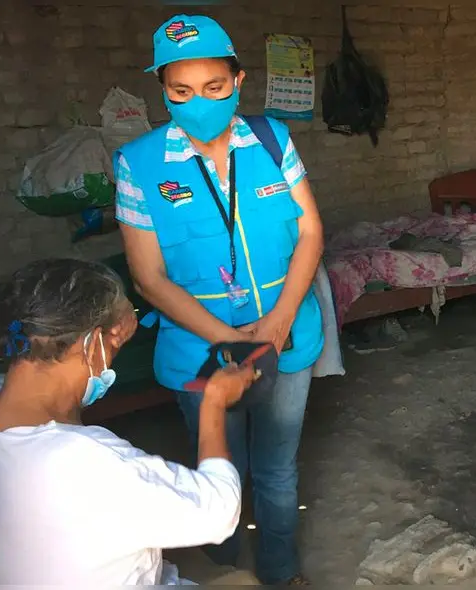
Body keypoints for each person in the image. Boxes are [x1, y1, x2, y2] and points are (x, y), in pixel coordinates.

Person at [114, 14, 325, 585]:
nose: (198, 103)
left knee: (278, 470)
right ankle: (234, 567)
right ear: (163, 90)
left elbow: (310, 233)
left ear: (238, 81)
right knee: (218, 464)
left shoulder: (272, 139)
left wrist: (279, 321)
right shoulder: (138, 165)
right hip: (202, 351)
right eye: (180, 92)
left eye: (213, 88)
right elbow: (150, 279)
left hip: (286, 337)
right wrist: (228, 339)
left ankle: (280, 572)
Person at [0, 258, 260, 585]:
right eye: (115, 346)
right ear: (91, 344)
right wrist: (214, 402)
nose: (112, 359)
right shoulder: (84, 462)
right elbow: (219, 513)